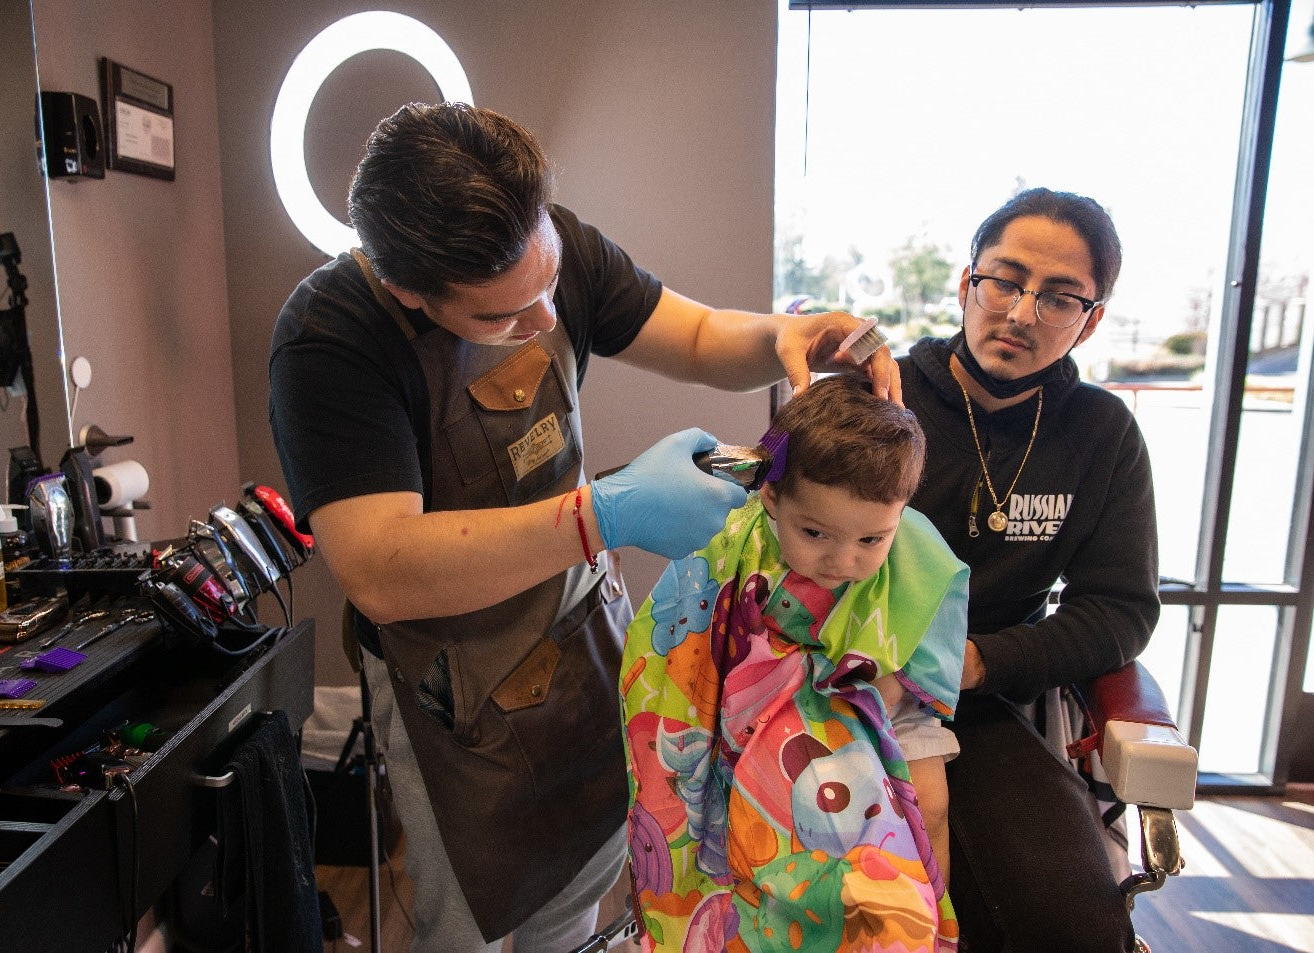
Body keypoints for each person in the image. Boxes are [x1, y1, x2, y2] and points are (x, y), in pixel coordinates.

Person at [268, 102, 898, 953]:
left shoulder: (542, 240)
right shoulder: (331, 339)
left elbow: (704, 336)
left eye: (549, 285)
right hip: (451, 685)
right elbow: (381, 568)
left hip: (577, 634)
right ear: (407, 288)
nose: (545, 322)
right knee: (467, 926)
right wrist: (603, 512)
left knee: (582, 885)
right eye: (502, 317)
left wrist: (787, 334)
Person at [897, 188, 1160, 952]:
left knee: (1070, 923)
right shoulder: (875, 398)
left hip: (980, 700)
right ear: (966, 282)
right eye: (1004, 281)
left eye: (1057, 298)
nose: (1019, 313)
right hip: (828, 687)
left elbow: (1119, 609)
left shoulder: (1101, 434)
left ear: (1092, 318)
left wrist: (980, 662)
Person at [621, 373, 968, 952]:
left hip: (881, 712)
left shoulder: (920, 561)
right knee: (764, 827)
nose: (842, 559)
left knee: (928, 804)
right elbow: (684, 655)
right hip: (744, 718)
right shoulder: (732, 543)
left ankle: (920, 930)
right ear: (772, 496)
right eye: (814, 533)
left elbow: (913, 682)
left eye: (871, 540)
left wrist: (847, 707)